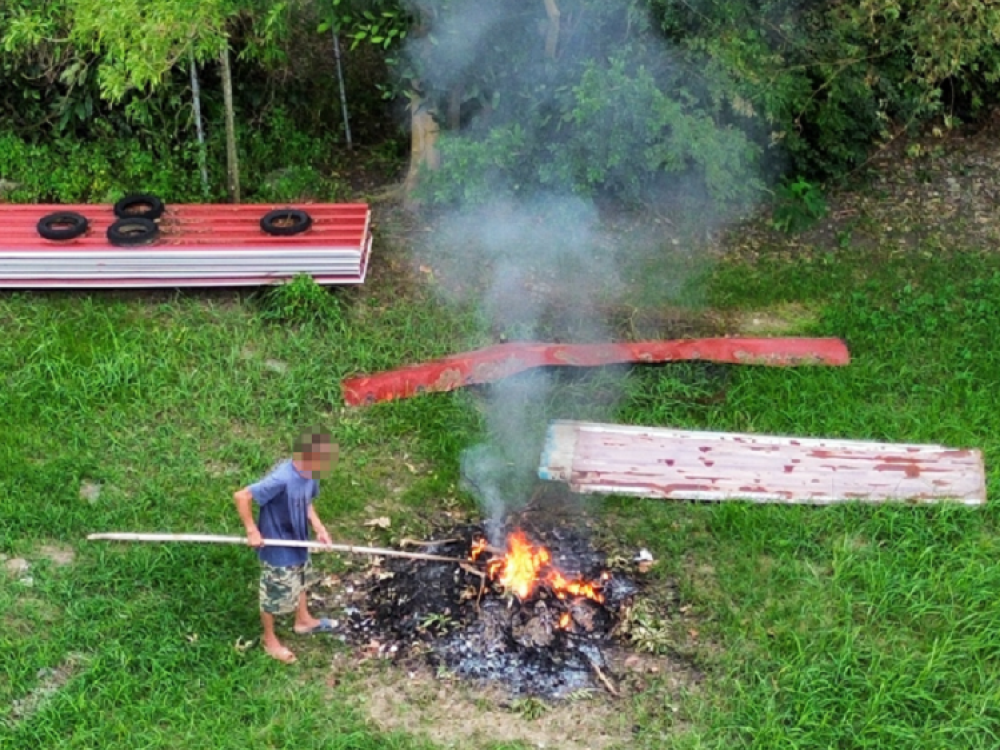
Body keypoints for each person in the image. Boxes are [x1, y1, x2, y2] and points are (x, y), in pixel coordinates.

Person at [233, 430, 338, 664]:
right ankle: (269, 640)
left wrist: (319, 527)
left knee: (301, 579)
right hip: (277, 545)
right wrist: (252, 530)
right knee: (273, 594)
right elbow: (242, 496)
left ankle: (303, 621)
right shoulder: (281, 478)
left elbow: (306, 502)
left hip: (298, 539)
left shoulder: (311, 474)